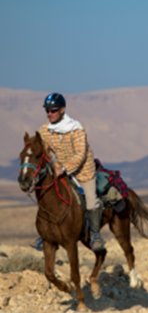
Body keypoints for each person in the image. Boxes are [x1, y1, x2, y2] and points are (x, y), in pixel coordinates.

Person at [33, 92, 105, 251]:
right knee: (47, 196)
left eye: (53, 110)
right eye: (47, 110)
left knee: (91, 200)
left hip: (83, 171)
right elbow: (43, 151)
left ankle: (95, 235)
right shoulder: (44, 131)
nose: (49, 114)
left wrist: (64, 168)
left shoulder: (76, 128)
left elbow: (80, 154)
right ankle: (45, 233)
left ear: (62, 110)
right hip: (59, 170)